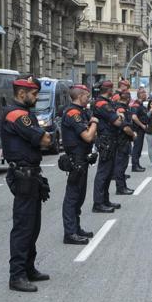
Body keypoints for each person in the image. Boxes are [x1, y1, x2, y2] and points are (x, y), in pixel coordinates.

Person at [0, 76, 53, 293]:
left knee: (33, 226)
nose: (36, 97)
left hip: (30, 175)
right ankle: (17, 275)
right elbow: (45, 140)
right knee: (24, 227)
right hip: (23, 175)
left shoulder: (23, 113)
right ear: (22, 94)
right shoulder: (17, 115)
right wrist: (44, 135)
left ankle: (29, 268)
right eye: (33, 93)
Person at [59, 85, 98, 245]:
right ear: (80, 96)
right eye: (87, 96)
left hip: (83, 159)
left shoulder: (81, 111)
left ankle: (76, 227)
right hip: (76, 160)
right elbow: (89, 136)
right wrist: (94, 122)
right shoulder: (73, 113)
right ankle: (70, 233)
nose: (88, 98)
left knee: (80, 196)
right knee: (72, 197)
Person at [90, 82, 123, 214]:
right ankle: (98, 203)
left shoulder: (105, 102)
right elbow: (118, 121)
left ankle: (105, 200)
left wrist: (118, 116)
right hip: (106, 140)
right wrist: (119, 116)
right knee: (103, 173)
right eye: (112, 89)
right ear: (108, 90)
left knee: (108, 172)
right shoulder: (101, 104)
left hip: (110, 139)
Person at [113, 81, 135, 194]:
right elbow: (125, 127)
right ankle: (120, 188)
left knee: (122, 164)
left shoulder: (120, 107)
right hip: (122, 140)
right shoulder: (121, 109)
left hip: (122, 140)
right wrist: (133, 134)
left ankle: (122, 186)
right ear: (127, 99)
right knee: (121, 165)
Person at [130, 88, 152, 172]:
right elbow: (134, 117)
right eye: (144, 93)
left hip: (141, 130)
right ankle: (134, 166)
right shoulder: (136, 105)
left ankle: (137, 164)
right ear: (141, 94)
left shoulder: (141, 105)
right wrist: (142, 125)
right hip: (138, 130)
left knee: (139, 148)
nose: (146, 94)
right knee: (137, 148)